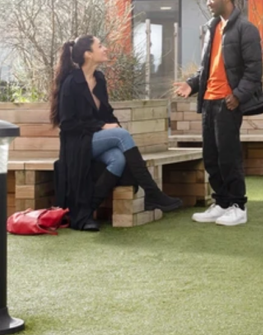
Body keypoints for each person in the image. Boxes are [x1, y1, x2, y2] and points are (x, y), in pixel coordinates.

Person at [51, 36, 183, 232]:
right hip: (76, 143)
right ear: (88, 54)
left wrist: (111, 125)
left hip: (94, 139)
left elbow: (106, 113)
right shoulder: (71, 83)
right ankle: (152, 192)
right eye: (100, 46)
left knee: (118, 159)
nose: (105, 48)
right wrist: (102, 127)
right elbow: (67, 124)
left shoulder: (99, 79)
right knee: (121, 135)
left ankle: (87, 212)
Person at [173, 0, 263, 227]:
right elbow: (207, 68)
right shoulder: (212, 28)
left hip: (228, 103)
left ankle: (238, 206)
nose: (208, 2)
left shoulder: (245, 29)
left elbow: (254, 70)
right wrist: (192, 84)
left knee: (228, 157)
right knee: (211, 157)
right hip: (209, 102)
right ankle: (222, 203)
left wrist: (237, 95)